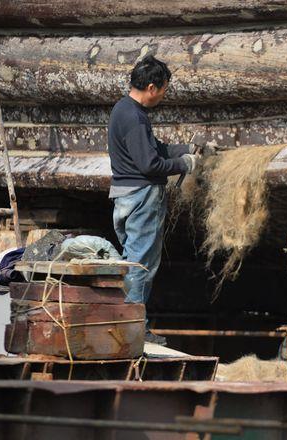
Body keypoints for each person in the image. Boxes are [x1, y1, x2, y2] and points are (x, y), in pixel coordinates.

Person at [108, 55, 197, 346]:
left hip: (123, 195)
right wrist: (184, 164)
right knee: (140, 264)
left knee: (132, 258)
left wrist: (184, 149)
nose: (163, 95)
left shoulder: (123, 109)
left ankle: (126, 324)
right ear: (151, 87)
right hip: (142, 196)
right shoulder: (135, 118)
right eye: (163, 89)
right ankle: (133, 329)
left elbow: (154, 148)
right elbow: (150, 165)